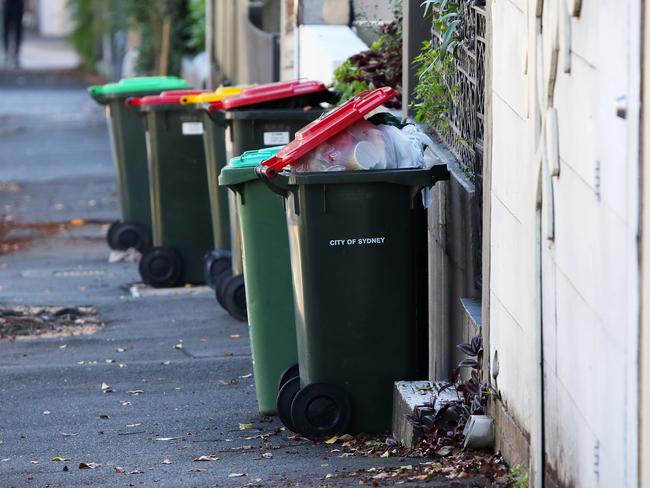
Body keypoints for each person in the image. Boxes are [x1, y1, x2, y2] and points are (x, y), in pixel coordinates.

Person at [3, 0, 24, 68]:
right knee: (7, 30)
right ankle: (7, 53)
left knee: (17, 30)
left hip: (17, 3)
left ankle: (15, 54)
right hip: (9, 3)